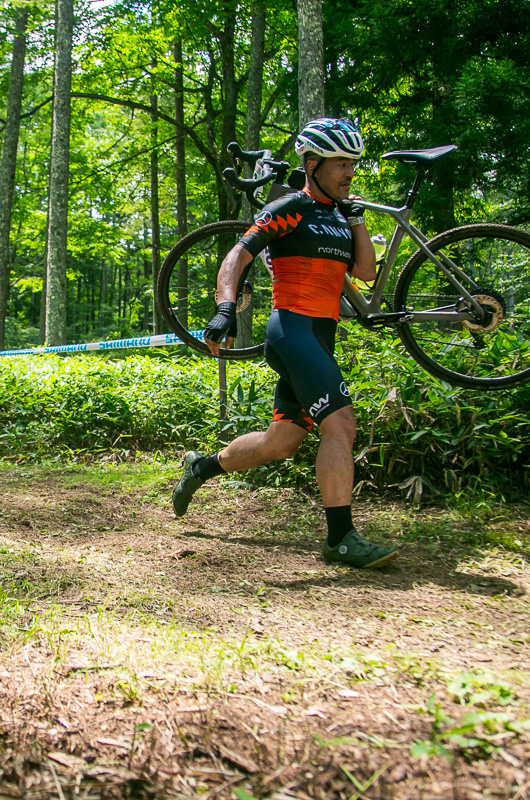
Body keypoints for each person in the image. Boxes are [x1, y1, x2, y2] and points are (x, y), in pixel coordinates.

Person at [171, 118, 397, 570]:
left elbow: (368, 273)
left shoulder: (340, 215)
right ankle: (340, 538)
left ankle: (201, 467)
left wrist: (356, 221)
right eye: (340, 164)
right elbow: (237, 255)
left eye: (353, 163)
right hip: (292, 330)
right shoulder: (290, 208)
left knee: (281, 443)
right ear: (312, 165)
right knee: (342, 425)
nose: (349, 172)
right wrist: (225, 307)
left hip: (321, 335)